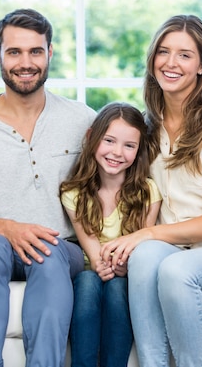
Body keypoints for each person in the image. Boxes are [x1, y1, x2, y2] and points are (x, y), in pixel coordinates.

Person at [0, 8, 96, 367]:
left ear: (50, 53)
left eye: (35, 52)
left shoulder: (82, 119)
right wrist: (9, 228)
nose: (25, 62)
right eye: (14, 52)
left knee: (48, 247)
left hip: (59, 248)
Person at [100, 15, 202, 367]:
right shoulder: (145, 127)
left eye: (185, 55)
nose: (171, 63)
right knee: (144, 256)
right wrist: (120, 247)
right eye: (164, 52)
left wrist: (146, 234)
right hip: (172, 249)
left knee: (173, 268)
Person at [60, 102, 162, 367]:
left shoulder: (147, 193)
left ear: (139, 150)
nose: (117, 152)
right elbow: (92, 252)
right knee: (86, 282)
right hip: (92, 270)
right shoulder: (73, 193)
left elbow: (140, 244)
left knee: (118, 288)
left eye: (129, 145)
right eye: (109, 141)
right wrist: (102, 264)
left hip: (125, 273)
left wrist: (123, 266)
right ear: (93, 138)